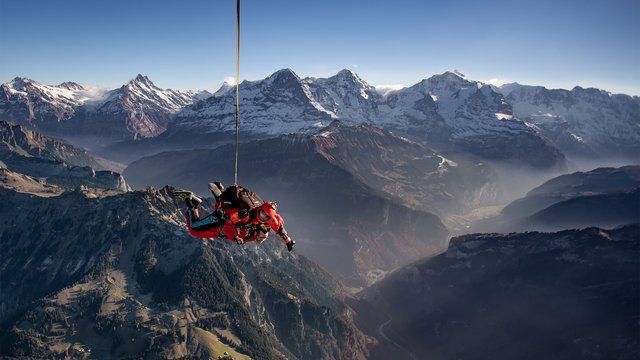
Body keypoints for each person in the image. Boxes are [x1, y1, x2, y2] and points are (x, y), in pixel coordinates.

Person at [172, 183, 295, 251]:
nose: (263, 215)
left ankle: (221, 191)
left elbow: (279, 228)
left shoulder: (269, 219)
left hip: (226, 221)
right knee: (194, 229)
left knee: (221, 205)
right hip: (221, 219)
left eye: (266, 215)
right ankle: (190, 201)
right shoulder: (247, 216)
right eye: (262, 212)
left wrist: (288, 241)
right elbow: (228, 223)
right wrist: (236, 237)